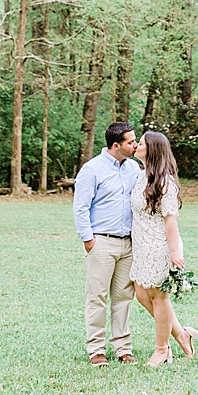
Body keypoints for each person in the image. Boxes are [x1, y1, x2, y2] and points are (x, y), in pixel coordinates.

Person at [130, 131, 198, 367]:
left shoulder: (165, 182)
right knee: (142, 294)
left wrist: (174, 253)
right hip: (141, 246)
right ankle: (182, 334)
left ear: (151, 150)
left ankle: (162, 350)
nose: (136, 145)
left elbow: (171, 220)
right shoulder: (141, 176)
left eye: (141, 143)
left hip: (159, 246)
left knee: (159, 298)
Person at [72, 121, 141, 367]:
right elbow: (81, 207)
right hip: (101, 241)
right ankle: (96, 350)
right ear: (116, 145)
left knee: (123, 298)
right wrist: (89, 240)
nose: (136, 145)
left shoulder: (134, 169)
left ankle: (123, 348)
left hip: (128, 243)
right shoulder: (92, 169)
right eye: (131, 142)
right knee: (97, 297)